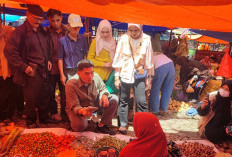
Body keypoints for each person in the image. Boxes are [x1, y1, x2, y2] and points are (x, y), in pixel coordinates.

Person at [4, 5, 53, 128]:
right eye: (36, 19)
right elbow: (9, 52)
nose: (38, 22)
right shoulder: (20, 31)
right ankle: (30, 121)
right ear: (27, 14)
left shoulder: (42, 30)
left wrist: (48, 60)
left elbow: (46, 47)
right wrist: (23, 67)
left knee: (44, 94)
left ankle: (44, 117)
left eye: (41, 19)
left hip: (43, 68)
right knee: (31, 98)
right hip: (31, 70)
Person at [112, 23, 153, 134]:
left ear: (141, 29)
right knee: (123, 100)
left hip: (139, 74)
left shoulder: (146, 39)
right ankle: (123, 125)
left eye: (136, 30)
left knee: (141, 101)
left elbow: (148, 60)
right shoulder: (123, 39)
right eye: (131, 30)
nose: (134, 33)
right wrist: (116, 77)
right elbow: (118, 58)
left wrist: (148, 79)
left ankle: (143, 125)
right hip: (125, 74)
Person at [65, 59, 118, 135]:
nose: (90, 76)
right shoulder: (71, 84)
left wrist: (104, 94)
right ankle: (77, 120)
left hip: (93, 105)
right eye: (86, 73)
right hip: (80, 109)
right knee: (80, 127)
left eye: (92, 73)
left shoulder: (95, 76)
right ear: (78, 73)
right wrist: (83, 111)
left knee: (114, 99)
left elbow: (103, 88)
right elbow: (74, 106)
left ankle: (102, 126)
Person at [45, 9, 68, 122]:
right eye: (53, 21)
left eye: (58, 20)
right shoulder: (45, 32)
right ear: (48, 19)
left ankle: (65, 113)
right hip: (50, 67)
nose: (56, 23)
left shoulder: (67, 31)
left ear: (61, 17)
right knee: (50, 91)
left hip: (64, 67)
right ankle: (53, 113)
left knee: (66, 92)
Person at [57, 13, 88, 86]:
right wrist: (62, 75)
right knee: (70, 93)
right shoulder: (62, 41)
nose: (77, 30)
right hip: (68, 72)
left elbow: (85, 56)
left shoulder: (83, 39)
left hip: (81, 70)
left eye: (78, 27)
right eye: (74, 28)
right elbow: (60, 59)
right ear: (68, 26)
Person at [149, 34, 175, 115]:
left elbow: (149, 70)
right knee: (167, 88)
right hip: (171, 64)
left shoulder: (150, 55)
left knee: (155, 89)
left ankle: (155, 110)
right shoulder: (160, 53)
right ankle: (164, 109)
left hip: (160, 67)